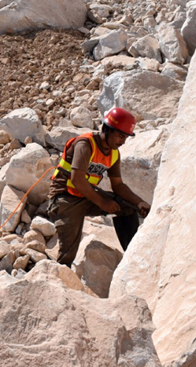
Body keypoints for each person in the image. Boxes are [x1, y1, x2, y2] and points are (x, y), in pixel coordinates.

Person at [47, 107, 151, 267]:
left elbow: (118, 185)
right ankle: (58, 277)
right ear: (108, 129)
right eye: (121, 136)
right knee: (68, 254)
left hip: (86, 196)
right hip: (64, 197)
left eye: (126, 137)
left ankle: (132, 260)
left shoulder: (114, 153)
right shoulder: (85, 144)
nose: (123, 141)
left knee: (128, 208)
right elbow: (77, 179)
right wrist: (103, 203)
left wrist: (139, 202)